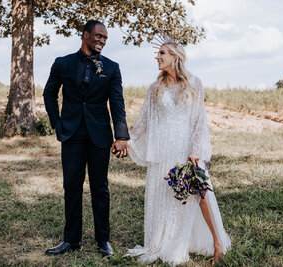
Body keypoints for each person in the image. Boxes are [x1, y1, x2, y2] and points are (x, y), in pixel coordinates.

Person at [126, 37, 231, 265]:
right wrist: (126, 141)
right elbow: (143, 123)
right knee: (166, 194)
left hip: (186, 149)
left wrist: (195, 150)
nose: (157, 57)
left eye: (162, 53)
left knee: (199, 194)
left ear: (175, 56)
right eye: (158, 53)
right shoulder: (155, 88)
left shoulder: (195, 83)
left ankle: (216, 243)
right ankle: (167, 241)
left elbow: (200, 120)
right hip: (163, 150)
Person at [43, 20, 129, 257]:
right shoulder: (63, 63)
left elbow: (117, 102)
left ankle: (103, 240)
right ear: (85, 35)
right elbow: (49, 93)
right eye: (98, 36)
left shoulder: (111, 67)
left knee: (100, 188)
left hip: (100, 134)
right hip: (71, 134)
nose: (102, 40)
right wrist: (57, 123)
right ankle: (71, 239)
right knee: (71, 186)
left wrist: (121, 135)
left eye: (105, 38)